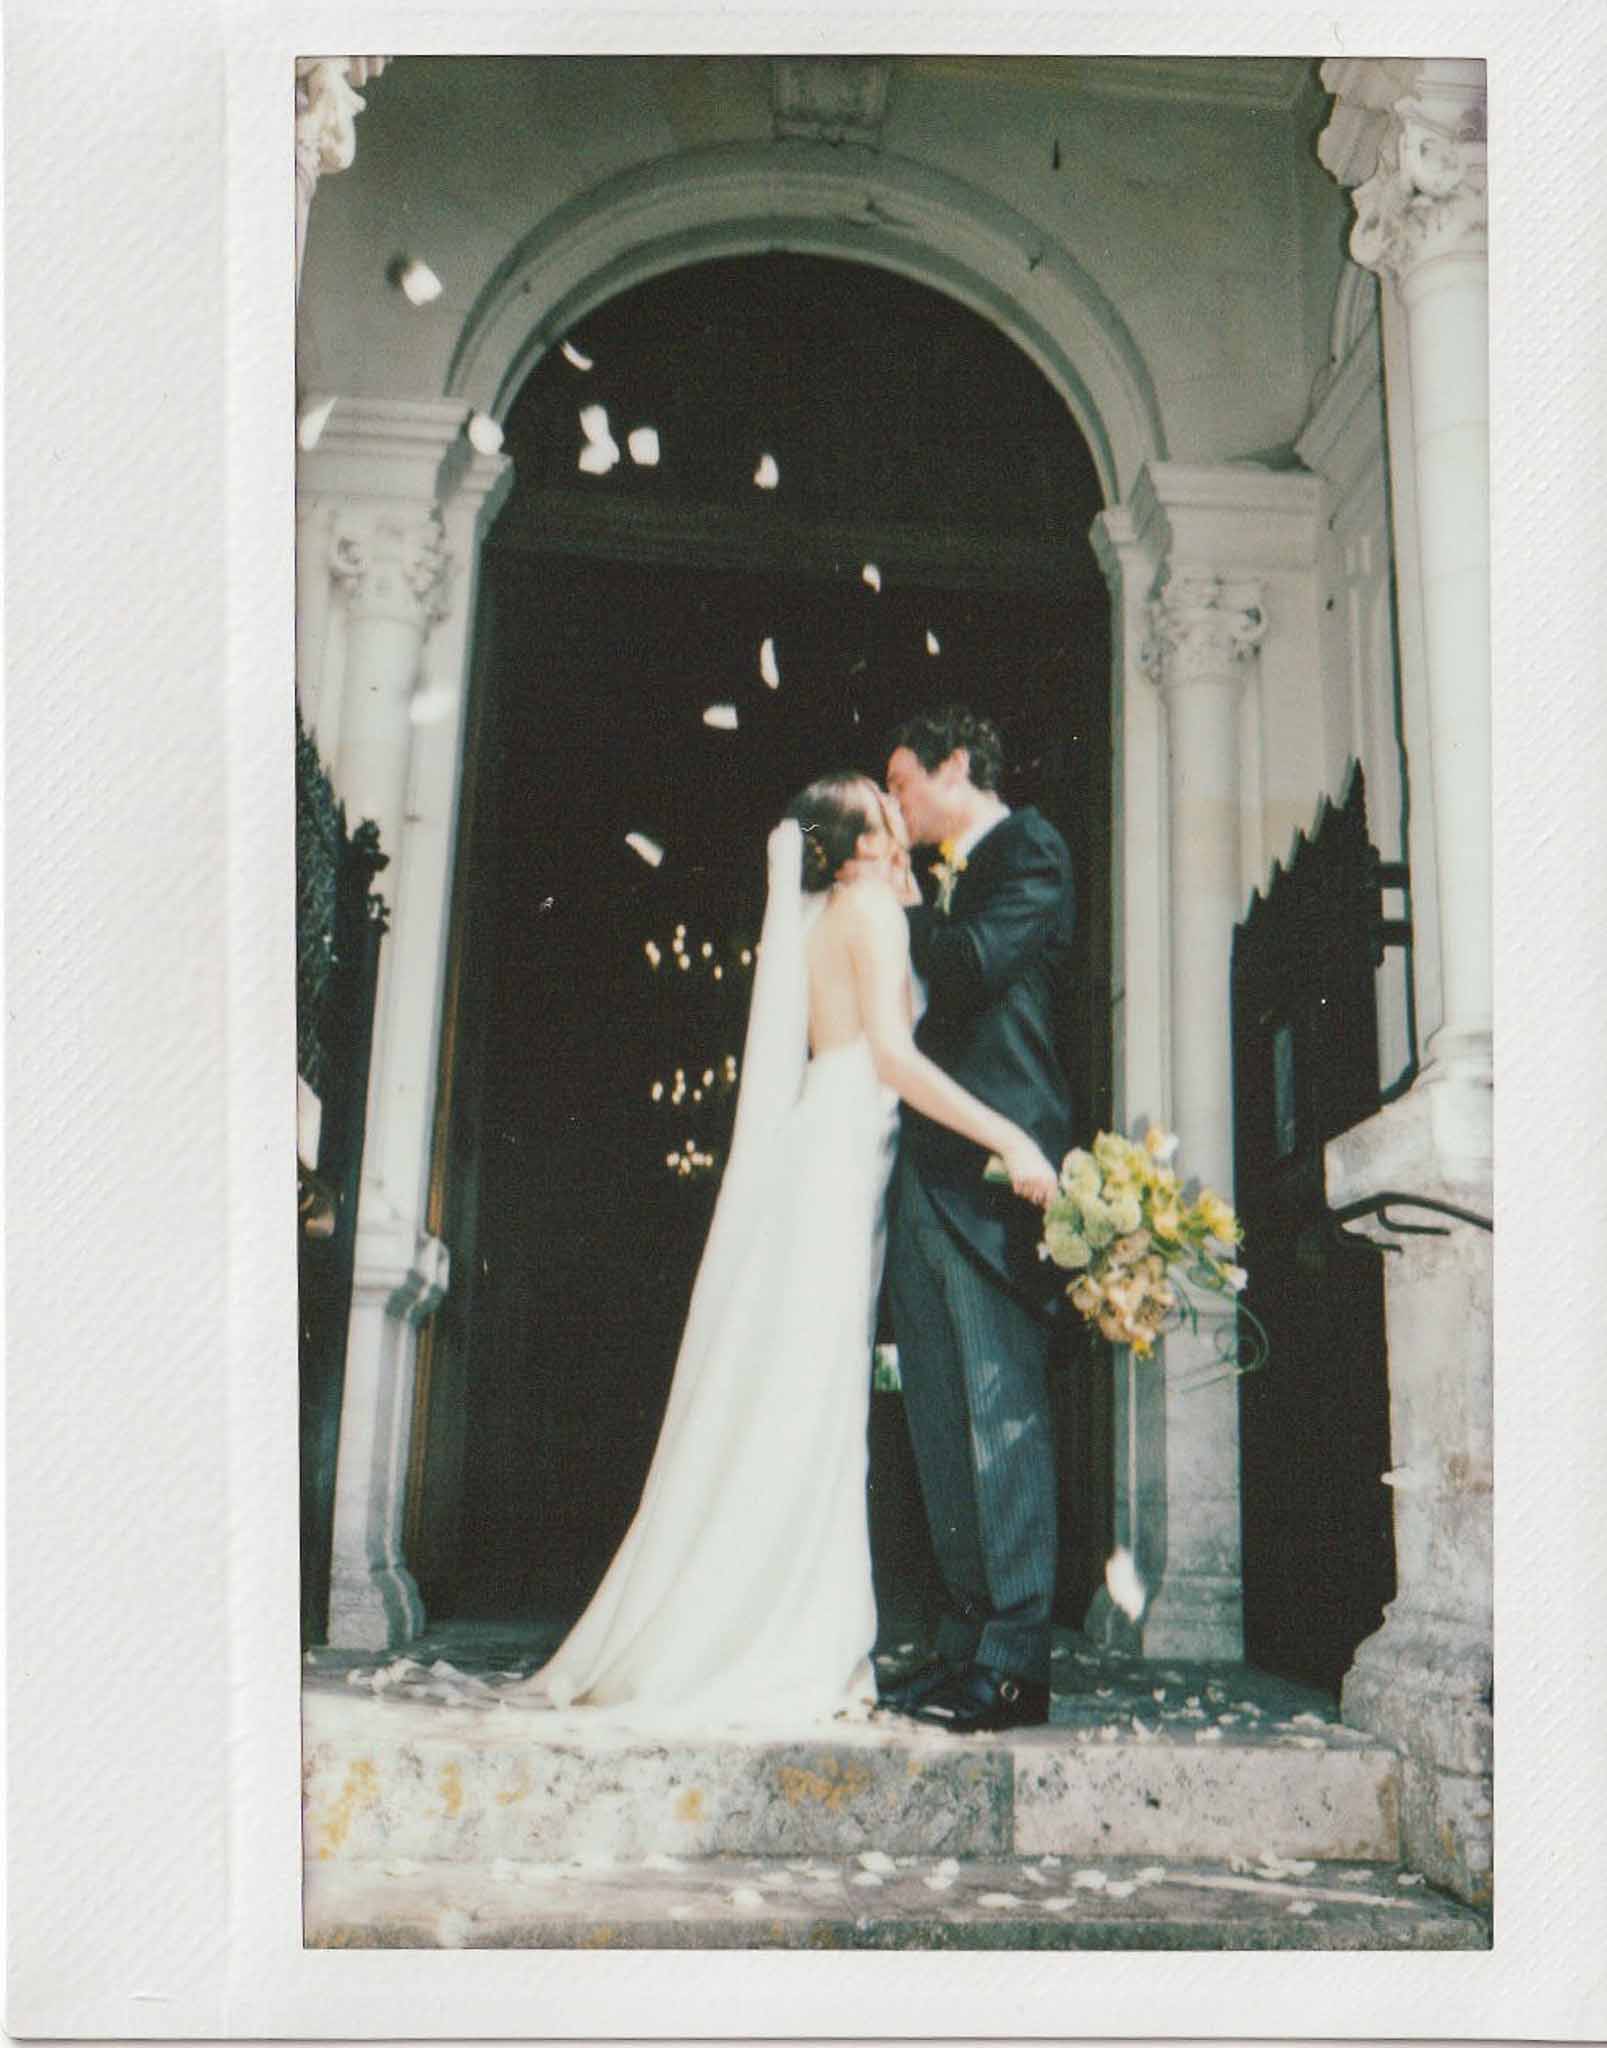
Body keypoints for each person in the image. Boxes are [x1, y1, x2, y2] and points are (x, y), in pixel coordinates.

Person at [513, 773, 1056, 1729]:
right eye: (885, 810)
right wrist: (1004, 1137)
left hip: (829, 1143)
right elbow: (893, 1055)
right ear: (857, 845)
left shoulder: (825, 913)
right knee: (815, 1398)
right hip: (852, 1149)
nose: (902, 814)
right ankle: (794, 1634)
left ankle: (764, 1618)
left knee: (797, 1389)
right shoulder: (869, 916)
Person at [873, 707, 1078, 1735]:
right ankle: (961, 1644)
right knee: (938, 1416)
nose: (895, 802)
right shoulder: (948, 869)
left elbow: (966, 967)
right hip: (923, 1166)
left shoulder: (1029, 846)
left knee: (1000, 1414)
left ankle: (1013, 1663)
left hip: (997, 1170)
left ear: (957, 764)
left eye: (904, 781)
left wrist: (904, 900)